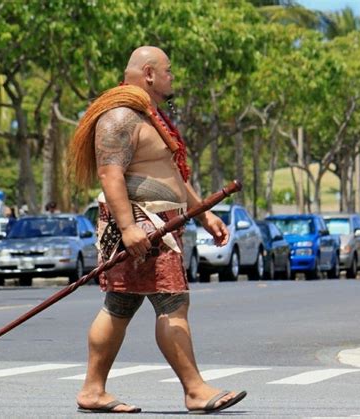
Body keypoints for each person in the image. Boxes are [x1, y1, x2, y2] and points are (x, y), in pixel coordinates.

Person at [69, 46, 246, 414]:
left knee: (120, 304)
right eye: (168, 71)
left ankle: (92, 390)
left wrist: (202, 214)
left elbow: (172, 174)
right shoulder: (120, 117)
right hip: (141, 225)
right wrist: (129, 227)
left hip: (158, 223)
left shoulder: (148, 116)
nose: (172, 77)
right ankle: (195, 390)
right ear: (149, 73)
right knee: (172, 301)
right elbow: (110, 174)